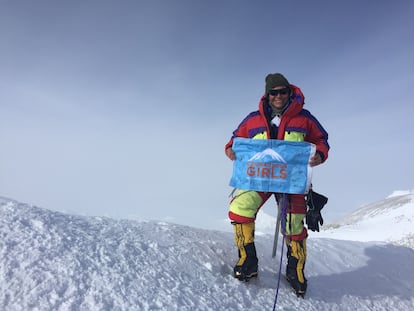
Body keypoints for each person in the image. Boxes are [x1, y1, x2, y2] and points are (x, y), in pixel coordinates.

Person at [224, 73, 329, 296]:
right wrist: (230, 149)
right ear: (267, 94)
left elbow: (322, 140)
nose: (278, 96)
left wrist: (320, 154)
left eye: (282, 91)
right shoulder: (252, 119)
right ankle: (247, 260)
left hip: (291, 180)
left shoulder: (305, 118)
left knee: (293, 224)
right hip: (259, 177)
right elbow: (235, 139)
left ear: (289, 92)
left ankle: (295, 270)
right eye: (274, 92)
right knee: (239, 209)